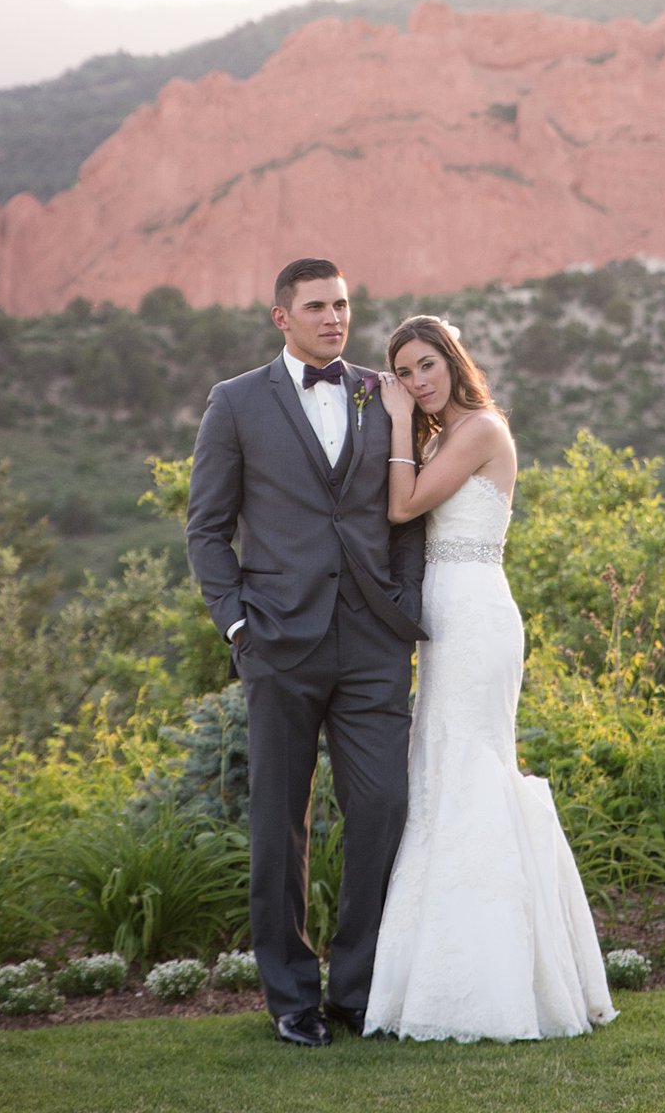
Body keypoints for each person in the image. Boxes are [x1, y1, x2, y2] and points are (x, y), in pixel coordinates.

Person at [185, 258, 426, 1048]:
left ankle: (356, 988)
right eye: (317, 305)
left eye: (344, 304)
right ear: (281, 316)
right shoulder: (235, 403)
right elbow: (206, 529)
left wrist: (405, 606)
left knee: (384, 807)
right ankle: (290, 996)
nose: (335, 318)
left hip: (371, 645)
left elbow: (408, 514)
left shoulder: (381, 393)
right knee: (276, 825)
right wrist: (236, 626)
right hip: (277, 642)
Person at [364, 314, 616, 1042]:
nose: (416, 381)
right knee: (442, 774)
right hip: (443, 619)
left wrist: (397, 419)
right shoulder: (441, 436)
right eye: (404, 373)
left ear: (451, 360)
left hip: (474, 613)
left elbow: (403, 505)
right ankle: (440, 969)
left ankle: (499, 980)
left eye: (425, 365)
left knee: (472, 773)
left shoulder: (477, 427)